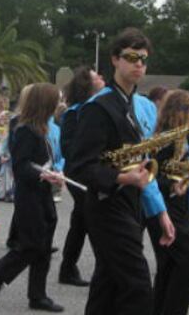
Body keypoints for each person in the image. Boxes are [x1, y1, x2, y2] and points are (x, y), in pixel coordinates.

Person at [68, 28, 176, 315]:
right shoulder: (98, 107)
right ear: (115, 60)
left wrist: (159, 212)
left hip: (130, 203)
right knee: (138, 286)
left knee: (108, 284)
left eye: (143, 59)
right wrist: (122, 177)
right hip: (107, 205)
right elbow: (78, 167)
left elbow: (142, 164)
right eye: (131, 57)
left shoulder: (133, 104)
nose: (139, 63)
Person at [0, 83, 65, 312]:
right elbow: (21, 167)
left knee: (44, 246)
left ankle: (37, 295)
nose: (58, 105)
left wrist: (55, 172)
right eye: (55, 101)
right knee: (32, 244)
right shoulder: (25, 130)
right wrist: (45, 174)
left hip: (42, 192)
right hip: (29, 195)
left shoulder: (42, 128)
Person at [142, 89, 189, 315]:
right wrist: (170, 186)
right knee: (186, 263)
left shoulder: (187, 138)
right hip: (164, 207)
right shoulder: (163, 141)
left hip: (182, 207)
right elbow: (149, 176)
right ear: (177, 111)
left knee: (169, 265)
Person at [58, 66, 105, 287]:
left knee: (81, 222)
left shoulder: (96, 107)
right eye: (97, 77)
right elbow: (67, 146)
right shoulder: (74, 112)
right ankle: (106, 268)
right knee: (93, 219)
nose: (102, 78)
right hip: (79, 174)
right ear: (87, 84)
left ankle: (68, 268)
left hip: (89, 172)